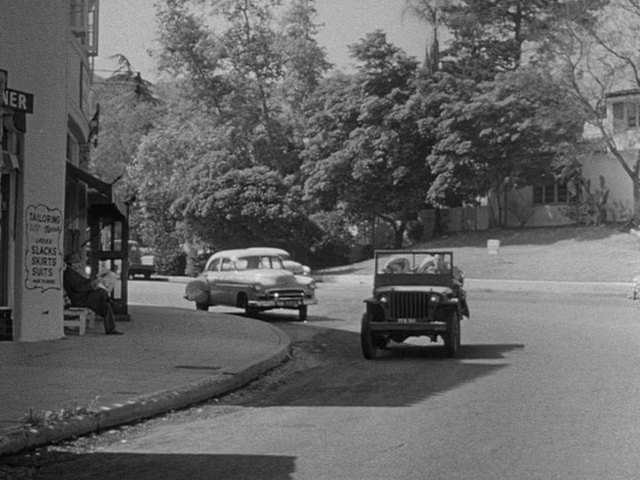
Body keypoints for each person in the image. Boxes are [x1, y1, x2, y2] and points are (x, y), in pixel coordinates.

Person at [63, 253, 123, 335]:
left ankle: (111, 329)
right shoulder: (69, 274)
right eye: (77, 262)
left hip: (84, 298)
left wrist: (96, 280)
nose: (79, 264)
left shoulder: (73, 273)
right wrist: (92, 285)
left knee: (105, 306)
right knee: (101, 292)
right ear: (72, 264)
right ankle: (112, 303)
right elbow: (78, 288)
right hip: (79, 300)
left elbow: (85, 281)